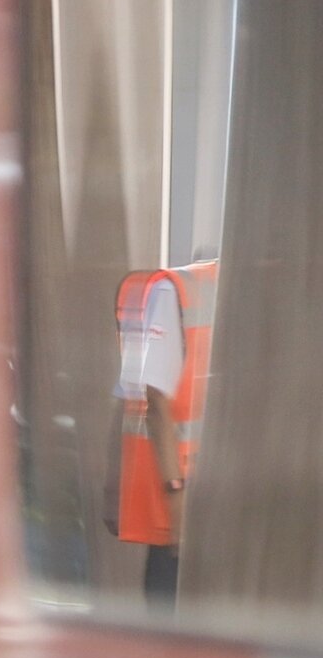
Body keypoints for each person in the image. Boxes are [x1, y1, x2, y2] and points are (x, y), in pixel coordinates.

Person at [106, 259, 218, 609]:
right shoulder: (179, 291)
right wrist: (175, 496)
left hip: (216, 503)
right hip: (182, 506)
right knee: (170, 617)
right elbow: (149, 398)